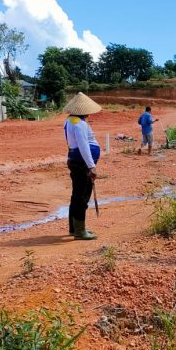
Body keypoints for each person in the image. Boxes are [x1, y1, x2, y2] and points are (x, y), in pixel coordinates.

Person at [63, 92, 102, 240]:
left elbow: (71, 143)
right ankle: (79, 231)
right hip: (82, 163)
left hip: (75, 159)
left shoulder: (69, 121)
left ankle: (74, 228)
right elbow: (83, 145)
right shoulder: (79, 124)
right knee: (82, 196)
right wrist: (91, 166)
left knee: (76, 195)